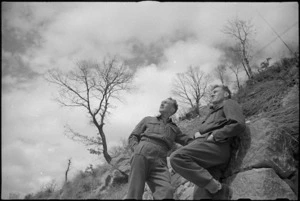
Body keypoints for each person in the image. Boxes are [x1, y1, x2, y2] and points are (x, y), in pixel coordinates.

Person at [170, 85, 246, 200]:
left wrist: (215, 135)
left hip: (216, 147)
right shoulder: (211, 113)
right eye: (211, 93)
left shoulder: (228, 103)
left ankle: (216, 187)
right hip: (206, 155)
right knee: (201, 196)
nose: (211, 94)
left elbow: (238, 124)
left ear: (225, 94)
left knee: (177, 157)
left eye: (215, 91)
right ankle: (221, 190)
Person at [126, 98, 193, 200]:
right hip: (142, 153)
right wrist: (137, 149)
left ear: (172, 110)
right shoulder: (147, 120)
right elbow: (133, 136)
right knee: (134, 191)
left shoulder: (175, 129)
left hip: (160, 161)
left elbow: (187, 141)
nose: (162, 103)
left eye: (166, 103)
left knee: (166, 190)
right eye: (162, 101)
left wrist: (202, 141)